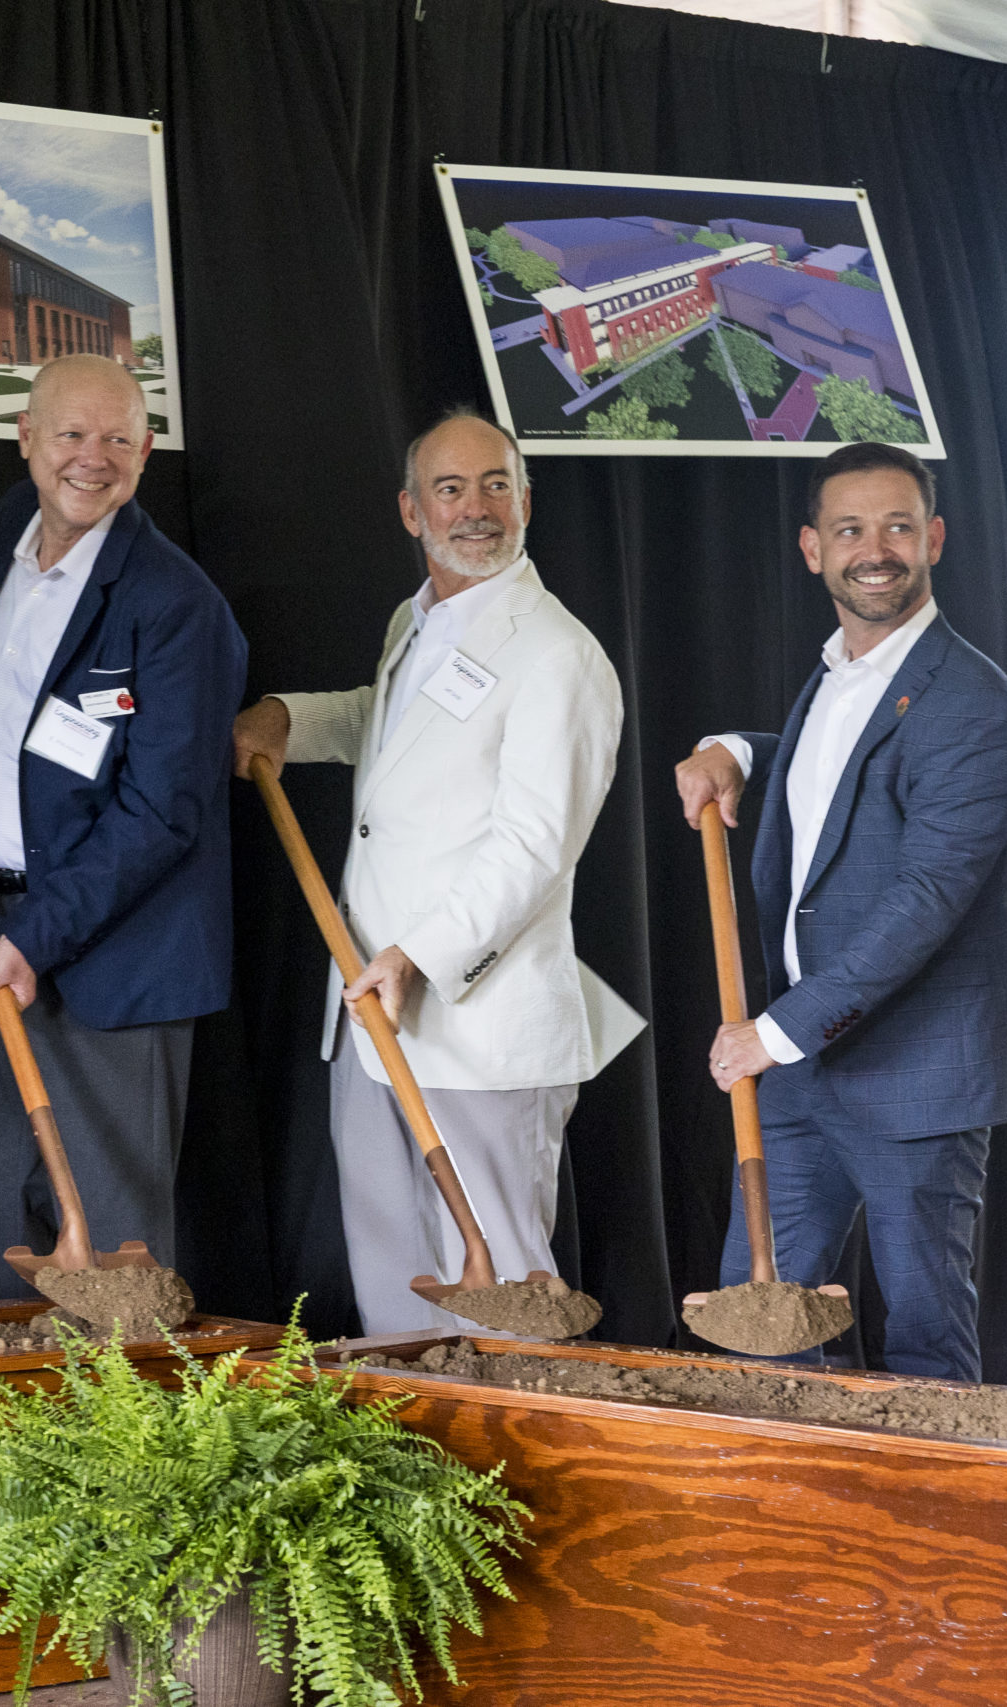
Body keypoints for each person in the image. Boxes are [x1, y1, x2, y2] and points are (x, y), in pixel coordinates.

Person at [0, 354, 246, 1301]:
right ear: (26, 440)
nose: (92, 459)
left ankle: (110, 1451)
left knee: (109, 1256)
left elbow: (163, 812)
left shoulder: (178, 607)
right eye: (70, 434)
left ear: (147, 453)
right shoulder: (15, 534)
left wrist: (34, 935)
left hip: (110, 963)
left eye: (117, 439)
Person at [234, 409, 638, 1336]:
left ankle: (514, 1468)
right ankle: (417, 1466)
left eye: (496, 484)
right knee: (393, 1286)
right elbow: (399, 724)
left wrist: (416, 956)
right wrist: (291, 718)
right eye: (450, 490)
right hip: (376, 1014)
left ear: (527, 501)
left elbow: (536, 843)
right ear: (411, 512)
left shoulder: (559, 654)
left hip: (477, 1026)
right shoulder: (416, 622)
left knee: (497, 1296)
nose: (477, 509)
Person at [675, 441, 1007, 1383]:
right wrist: (739, 751)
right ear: (811, 548)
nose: (874, 549)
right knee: (761, 1324)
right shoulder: (840, 674)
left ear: (935, 539)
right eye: (850, 530)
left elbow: (924, 901)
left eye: (897, 527)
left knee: (923, 1336)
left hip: (913, 1075)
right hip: (805, 1068)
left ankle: (933, 1519)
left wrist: (776, 1033)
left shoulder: (975, 706)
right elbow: (832, 782)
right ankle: (789, 1518)